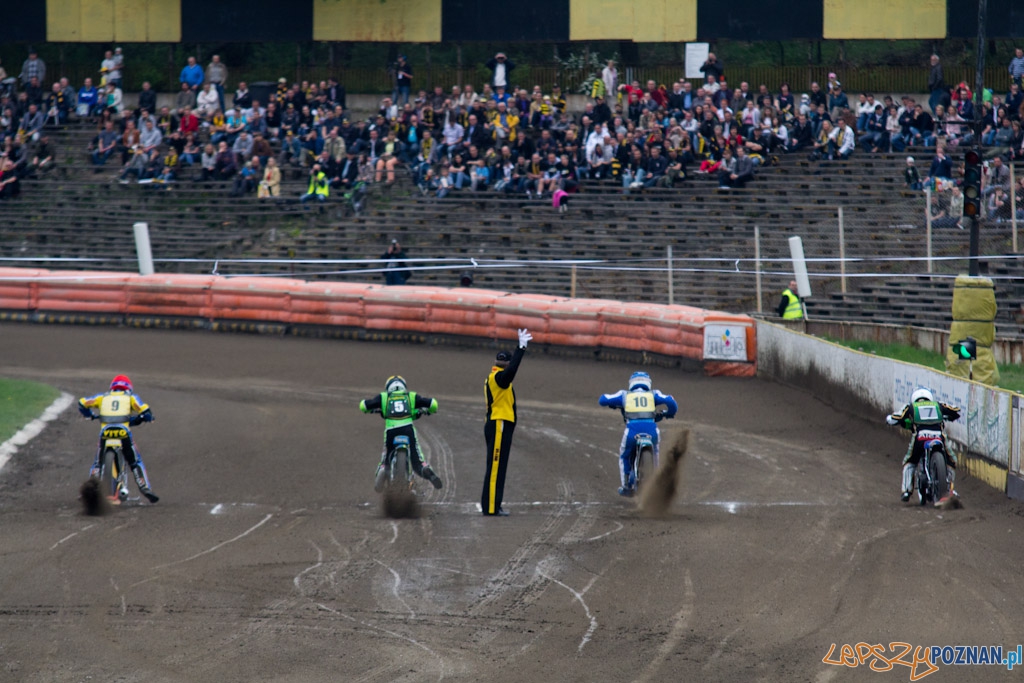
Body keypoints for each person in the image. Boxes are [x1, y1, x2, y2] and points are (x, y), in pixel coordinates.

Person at [78, 375, 159, 503]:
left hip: (105, 433)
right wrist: (147, 418)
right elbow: (145, 410)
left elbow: (82, 403)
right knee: (135, 461)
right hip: (123, 433)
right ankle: (144, 488)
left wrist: (90, 415)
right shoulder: (131, 397)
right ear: (129, 388)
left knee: (97, 463)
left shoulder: (102, 397)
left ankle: (90, 488)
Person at [599, 371, 678, 496]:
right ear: (648, 383)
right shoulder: (654, 394)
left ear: (631, 383)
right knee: (656, 451)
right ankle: (656, 481)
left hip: (632, 431)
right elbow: (671, 402)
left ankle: (626, 486)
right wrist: (667, 413)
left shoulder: (624, 395)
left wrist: (613, 404)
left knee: (624, 455)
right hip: (652, 431)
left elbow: (603, 400)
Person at [359, 375, 443, 492]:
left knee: (385, 457)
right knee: (417, 460)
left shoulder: (384, 397)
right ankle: (425, 469)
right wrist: (427, 411)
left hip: (391, 431)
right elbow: (433, 404)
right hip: (408, 430)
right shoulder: (411, 396)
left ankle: (383, 469)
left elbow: (363, 406)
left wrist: (373, 409)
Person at [481, 328, 532, 516]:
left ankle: (494, 504)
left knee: (499, 467)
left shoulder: (497, 378)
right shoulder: (499, 378)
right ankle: (491, 507)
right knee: (495, 468)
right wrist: (521, 349)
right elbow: (510, 373)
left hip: (500, 425)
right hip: (498, 425)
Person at [886, 388, 960, 503]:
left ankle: (907, 490)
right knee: (951, 460)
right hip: (938, 436)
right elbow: (955, 410)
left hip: (920, 437)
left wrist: (889, 419)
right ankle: (950, 489)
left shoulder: (911, 407)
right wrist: (949, 416)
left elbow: (897, 417)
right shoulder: (938, 405)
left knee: (910, 461)